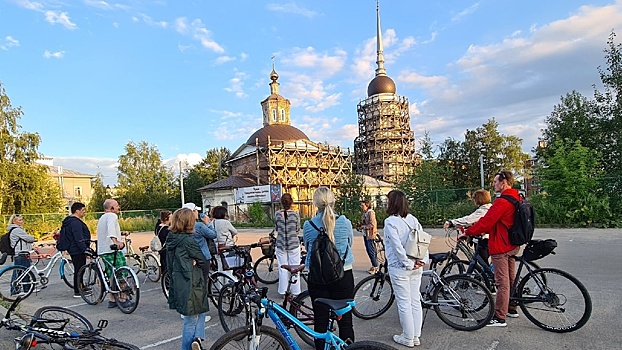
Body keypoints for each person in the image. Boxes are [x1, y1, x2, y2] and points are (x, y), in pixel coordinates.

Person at [464, 170, 520, 327]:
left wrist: (468, 232)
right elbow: (499, 223)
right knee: (510, 279)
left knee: (502, 283)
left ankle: (499, 317)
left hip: (501, 246)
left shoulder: (502, 202)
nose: (493, 184)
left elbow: (487, 221)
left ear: (503, 183)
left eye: (495, 182)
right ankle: (511, 308)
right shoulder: (516, 197)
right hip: (512, 243)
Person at [303, 187, 355, 350]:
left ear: (315, 204)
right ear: (333, 201)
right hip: (344, 275)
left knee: (320, 321)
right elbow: (349, 244)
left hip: (317, 278)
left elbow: (307, 247)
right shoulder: (345, 222)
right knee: (345, 321)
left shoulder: (308, 225)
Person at [383, 189, 427, 348]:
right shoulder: (413, 219)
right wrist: (421, 260)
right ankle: (416, 335)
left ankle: (407, 337)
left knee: (403, 302)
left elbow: (397, 248)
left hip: (399, 267)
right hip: (417, 265)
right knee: (415, 300)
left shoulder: (390, 222)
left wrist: (407, 263)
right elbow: (422, 240)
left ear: (392, 203)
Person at [166, 208, 209, 350]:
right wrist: (195, 262)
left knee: (199, 310)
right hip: (191, 281)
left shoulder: (171, 238)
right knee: (191, 319)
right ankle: (187, 346)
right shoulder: (188, 241)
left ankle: (197, 339)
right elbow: (202, 260)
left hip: (178, 281)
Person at [96, 199, 131, 309]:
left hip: (103, 251)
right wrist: (116, 242)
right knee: (122, 273)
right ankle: (123, 299)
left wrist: (119, 234)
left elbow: (107, 231)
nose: (119, 207)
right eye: (117, 206)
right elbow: (111, 230)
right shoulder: (112, 216)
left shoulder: (102, 217)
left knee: (112, 274)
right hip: (112, 250)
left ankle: (112, 299)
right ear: (111, 208)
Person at [443, 189, 492, 263]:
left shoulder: (483, 210)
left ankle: (486, 274)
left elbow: (469, 219)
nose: (474, 201)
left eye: (474, 199)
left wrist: (451, 222)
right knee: (483, 260)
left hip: (484, 239)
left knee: (482, 262)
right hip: (488, 238)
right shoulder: (488, 208)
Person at [57, 202, 91, 297]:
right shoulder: (75, 222)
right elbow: (78, 237)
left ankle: (81, 286)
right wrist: (85, 249)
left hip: (74, 248)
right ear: (77, 211)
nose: (84, 212)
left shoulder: (68, 221)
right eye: (83, 210)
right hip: (77, 249)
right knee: (79, 269)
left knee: (79, 268)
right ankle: (78, 290)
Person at [274, 193, 301, 296]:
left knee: (282, 268)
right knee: (295, 268)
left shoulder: (277, 214)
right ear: (291, 202)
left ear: (281, 202)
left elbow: (276, 229)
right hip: (293, 244)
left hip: (281, 244)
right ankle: (295, 291)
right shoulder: (295, 214)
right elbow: (297, 229)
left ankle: (283, 291)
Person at [7, 214, 36, 294]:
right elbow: (28, 238)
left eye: (22, 220)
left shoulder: (15, 229)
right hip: (21, 253)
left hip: (20, 253)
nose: (21, 222)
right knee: (24, 271)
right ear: (14, 221)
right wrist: (33, 238)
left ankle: (21, 289)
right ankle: (21, 290)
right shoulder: (17, 230)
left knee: (21, 271)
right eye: (19, 220)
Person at [359, 199, 379, 274]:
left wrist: (364, 227)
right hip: (366, 234)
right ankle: (374, 265)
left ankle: (375, 266)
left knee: (371, 251)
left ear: (367, 205)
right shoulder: (366, 213)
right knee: (369, 250)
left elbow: (372, 224)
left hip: (370, 235)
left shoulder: (370, 213)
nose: (361, 207)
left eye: (363, 205)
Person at [156, 210, 171, 274]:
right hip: (166, 249)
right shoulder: (167, 229)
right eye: (171, 217)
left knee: (162, 261)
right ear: (166, 218)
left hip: (160, 247)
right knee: (166, 264)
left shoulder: (158, 226)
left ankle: (163, 274)